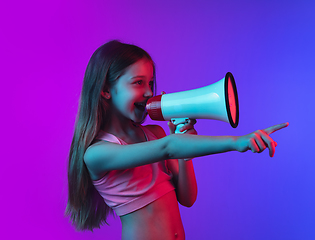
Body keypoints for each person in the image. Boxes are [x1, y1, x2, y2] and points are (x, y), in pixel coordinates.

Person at [66, 40, 289, 240]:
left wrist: (182, 144)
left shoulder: (155, 134)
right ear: (106, 89)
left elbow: (187, 197)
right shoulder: (97, 153)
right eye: (137, 83)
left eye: (150, 83)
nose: (147, 92)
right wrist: (236, 142)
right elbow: (169, 148)